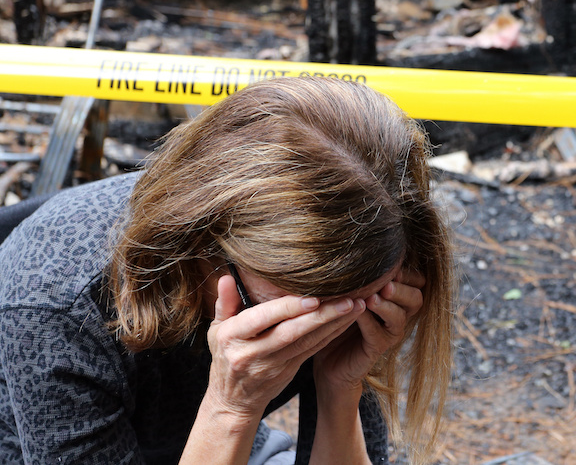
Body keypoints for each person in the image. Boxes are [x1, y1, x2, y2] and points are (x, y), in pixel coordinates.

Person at [0, 77, 453, 464]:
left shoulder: (350, 262)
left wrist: (341, 386)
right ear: (203, 243)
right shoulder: (56, 305)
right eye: (297, 313)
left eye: (363, 303)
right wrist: (231, 406)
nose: (329, 327)